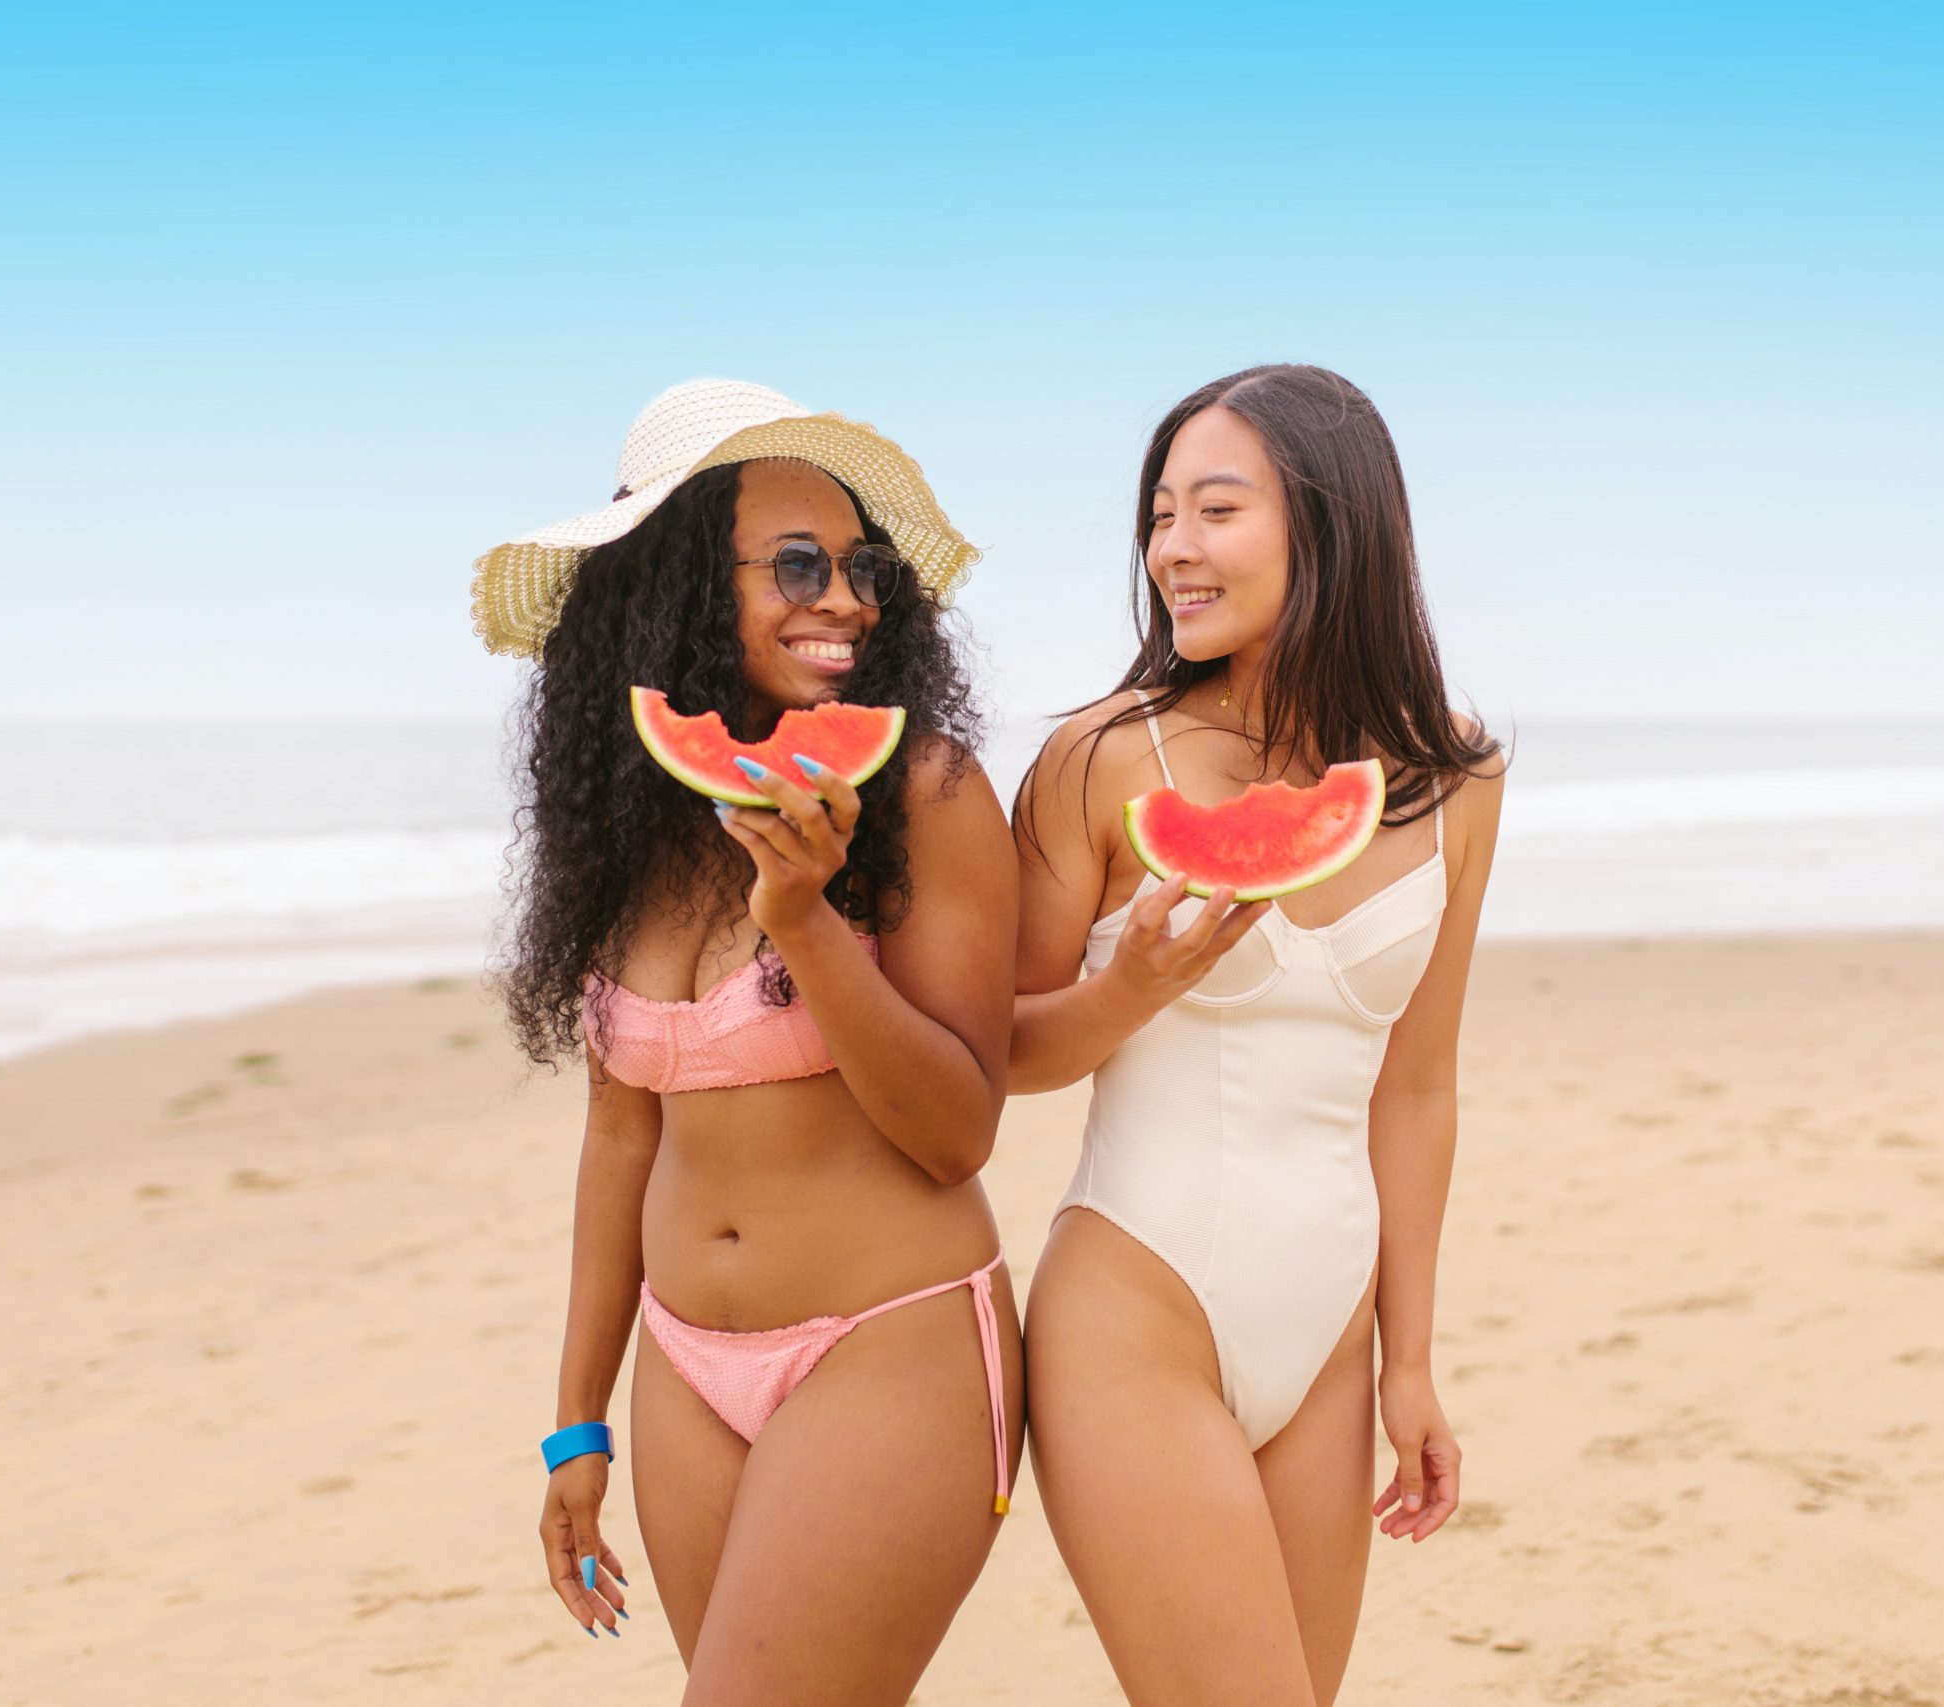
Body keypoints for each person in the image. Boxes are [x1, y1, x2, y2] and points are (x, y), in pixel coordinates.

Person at [473, 380, 1020, 1701]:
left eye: (858, 568)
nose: (843, 599)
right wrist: (572, 1425)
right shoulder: (632, 830)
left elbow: (957, 1133)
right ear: (671, 588)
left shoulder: (929, 792)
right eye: (795, 565)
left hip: (889, 1343)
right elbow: (619, 1139)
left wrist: (806, 919)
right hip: (682, 1369)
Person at [1011, 364, 1505, 1704]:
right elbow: (994, 1052)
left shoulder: (1459, 776)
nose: (1172, 545)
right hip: (1135, 1307)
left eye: (1215, 509)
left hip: (1333, 1330)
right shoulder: (1102, 758)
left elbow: (1416, 1087)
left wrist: (1410, 1359)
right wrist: (1129, 993)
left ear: (1330, 526)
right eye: (1161, 512)